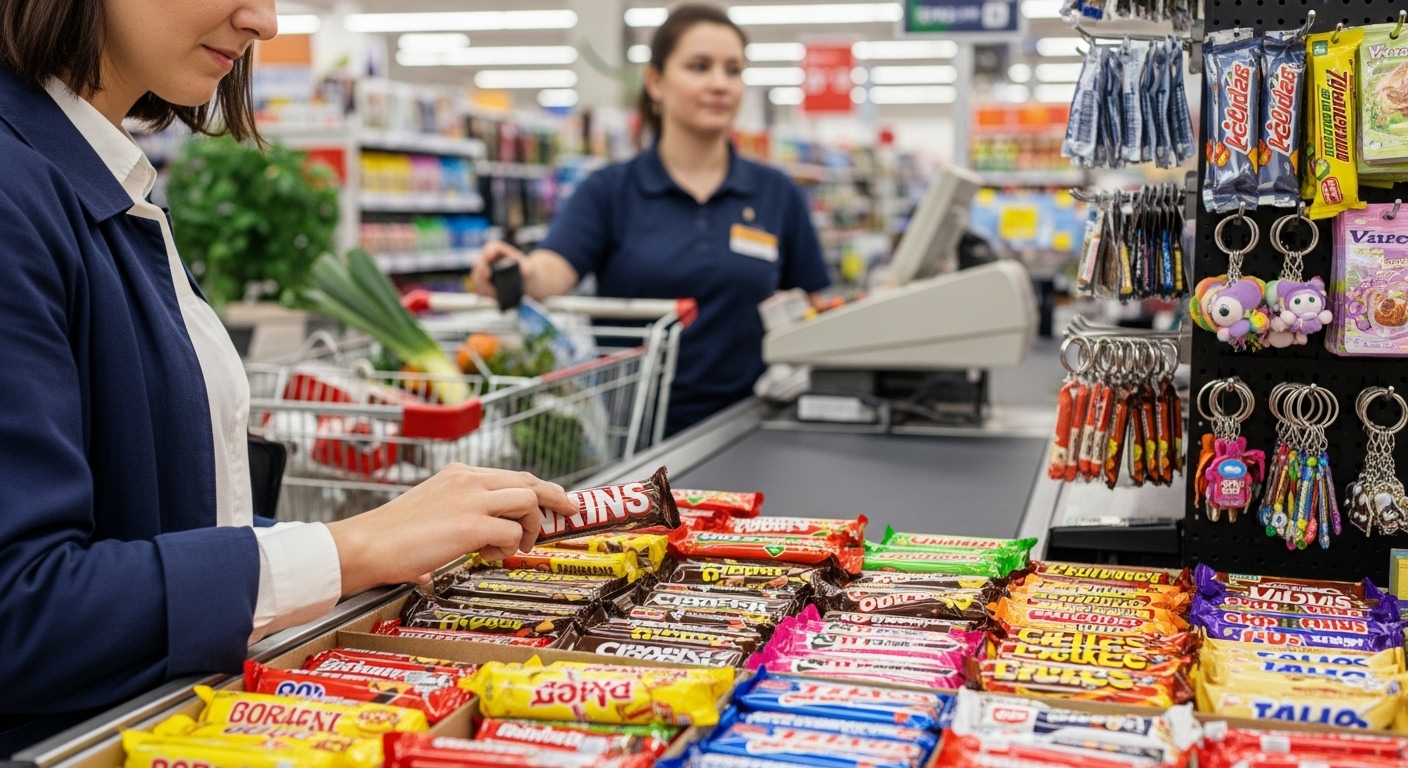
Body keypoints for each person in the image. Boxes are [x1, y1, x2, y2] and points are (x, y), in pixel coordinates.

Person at [0, 0, 573, 750]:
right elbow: (21, 612)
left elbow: (164, 519)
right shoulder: (15, 193)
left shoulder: (98, 177)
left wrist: (395, 536)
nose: (266, 22)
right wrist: (351, 549)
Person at [472, 4, 831, 435]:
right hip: (633, 434)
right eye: (699, 66)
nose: (720, 83)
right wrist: (519, 271)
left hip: (752, 427)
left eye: (733, 70)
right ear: (656, 82)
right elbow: (554, 269)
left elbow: (814, 302)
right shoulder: (609, 191)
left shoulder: (777, 193)